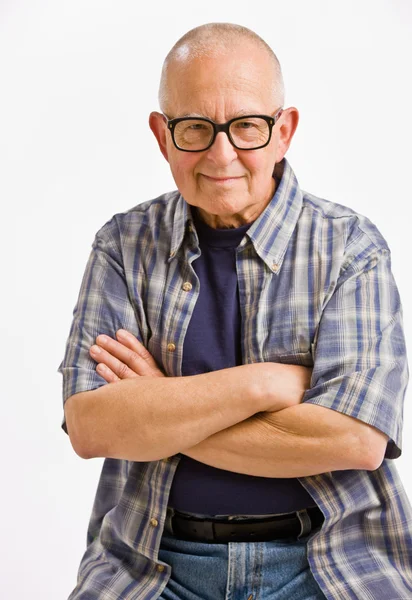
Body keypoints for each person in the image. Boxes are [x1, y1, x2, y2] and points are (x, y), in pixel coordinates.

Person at [58, 22, 412, 600]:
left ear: (284, 131)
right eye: (195, 128)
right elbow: (94, 426)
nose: (222, 154)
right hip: (152, 564)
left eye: (246, 126)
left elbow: (355, 441)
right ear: (162, 135)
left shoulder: (350, 247)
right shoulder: (122, 245)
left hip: (325, 563)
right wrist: (263, 384)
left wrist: (160, 409)